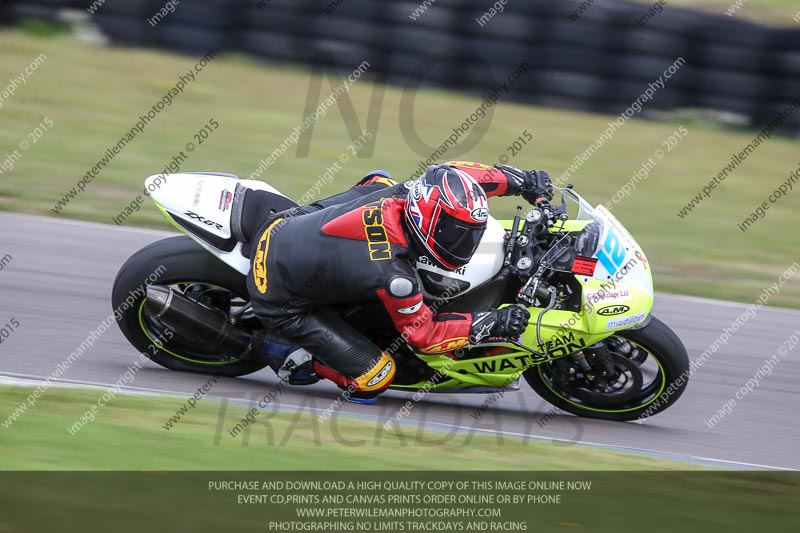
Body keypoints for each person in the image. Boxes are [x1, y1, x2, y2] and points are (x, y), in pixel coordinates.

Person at [230, 161, 553, 402]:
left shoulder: (414, 193)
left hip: (286, 225)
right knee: (376, 377)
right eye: (452, 233)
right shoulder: (394, 275)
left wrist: (521, 181)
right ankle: (285, 352)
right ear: (425, 221)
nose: (461, 243)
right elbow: (425, 336)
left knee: (380, 180)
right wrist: (490, 322)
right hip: (278, 296)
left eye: (467, 233)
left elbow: (458, 175)